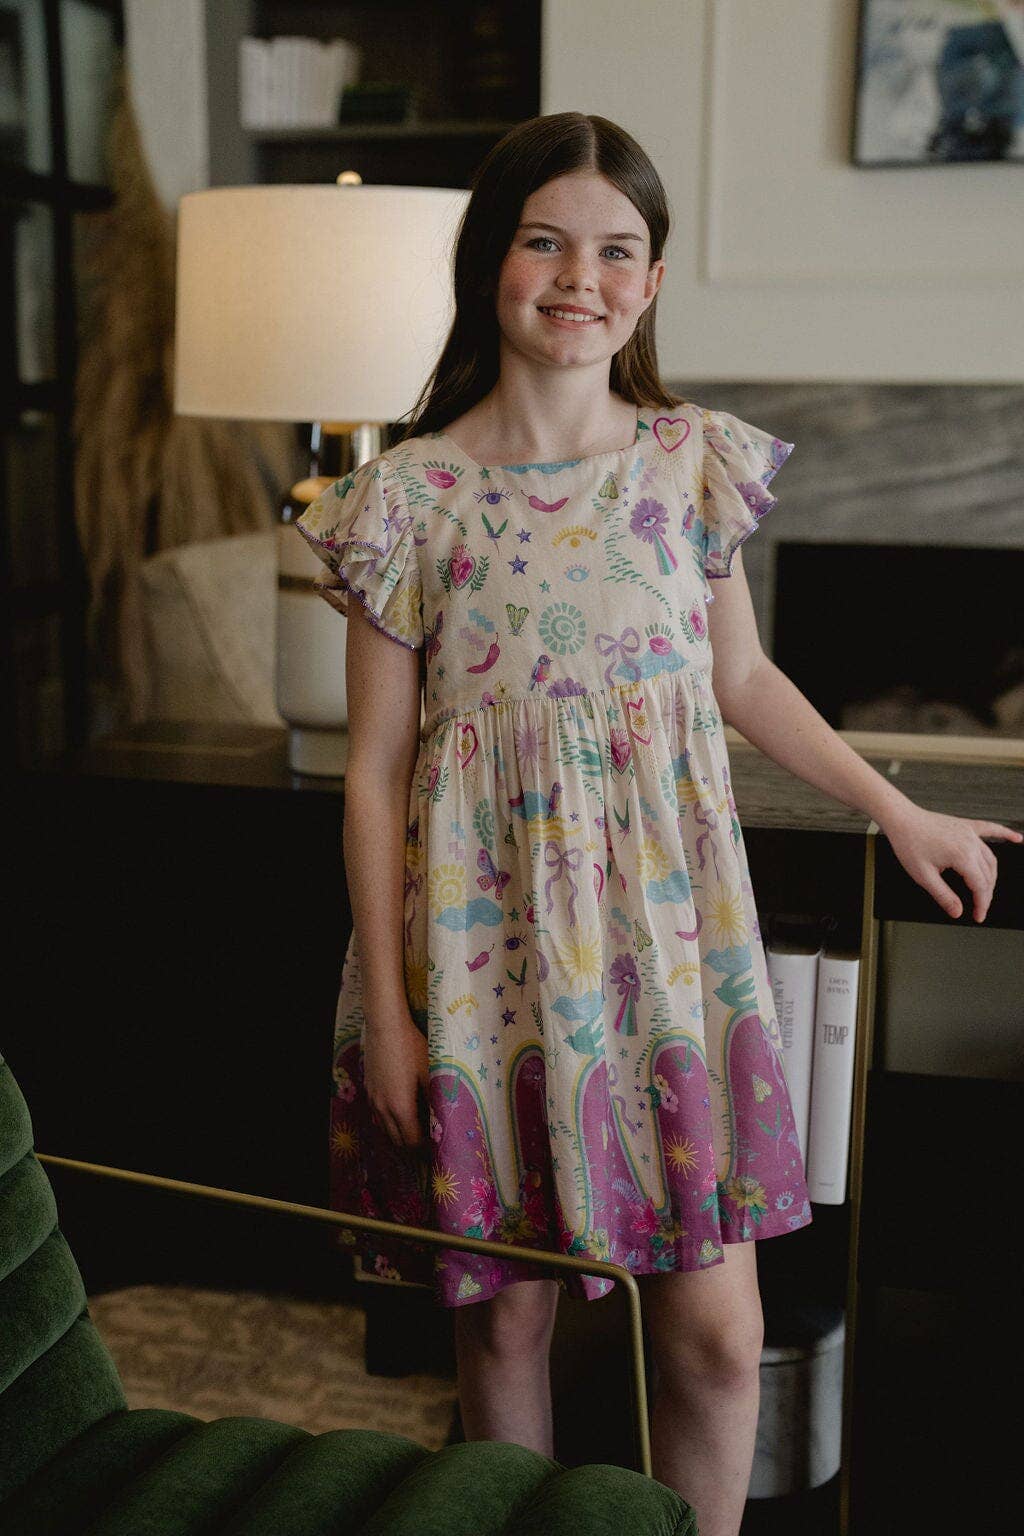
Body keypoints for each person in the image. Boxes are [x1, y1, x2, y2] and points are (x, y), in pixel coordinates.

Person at [294, 112, 1022, 1536]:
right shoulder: (407, 498)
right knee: (507, 1324)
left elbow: (744, 680)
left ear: (655, 279)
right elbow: (374, 772)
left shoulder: (689, 464)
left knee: (718, 1335)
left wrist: (898, 808)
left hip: (668, 957)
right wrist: (387, 1011)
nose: (583, 278)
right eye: (546, 242)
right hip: (479, 962)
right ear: (490, 261)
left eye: (617, 250)